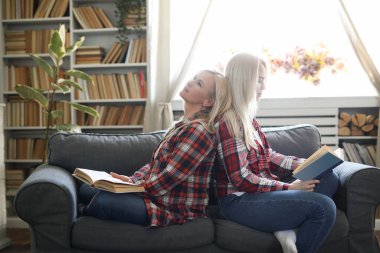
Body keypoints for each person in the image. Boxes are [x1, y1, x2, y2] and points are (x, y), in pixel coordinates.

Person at [214, 53, 340, 253]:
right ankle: (288, 229)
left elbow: (269, 156)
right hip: (237, 200)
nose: (263, 88)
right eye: (260, 81)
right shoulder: (228, 123)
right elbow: (241, 178)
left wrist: (309, 163)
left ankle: (286, 227)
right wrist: (287, 188)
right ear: (244, 81)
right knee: (324, 207)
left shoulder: (249, 121)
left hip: (256, 195)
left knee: (328, 177)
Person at [84, 70, 233, 227]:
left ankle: (89, 213)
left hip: (174, 210)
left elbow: (171, 176)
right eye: (194, 78)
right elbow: (154, 165)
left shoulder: (199, 131)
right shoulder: (181, 126)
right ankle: (91, 210)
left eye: (199, 83)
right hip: (155, 198)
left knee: (103, 200)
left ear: (208, 101)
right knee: (86, 189)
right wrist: (131, 180)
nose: (190, 82)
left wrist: (134, 188)